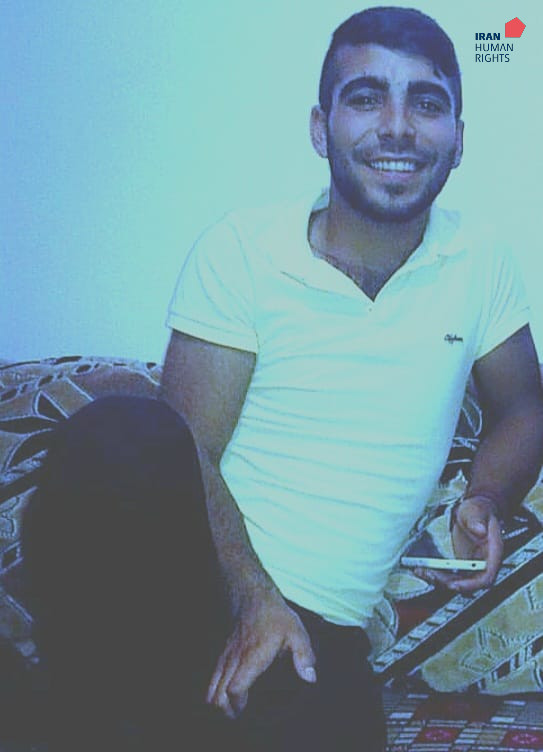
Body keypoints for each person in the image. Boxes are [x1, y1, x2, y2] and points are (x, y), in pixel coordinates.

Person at [22, 6, 543, 752]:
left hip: (316, 636)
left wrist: (487, 497)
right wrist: (254, 600)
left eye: (426, 104)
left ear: (457, 138)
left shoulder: (481, 261)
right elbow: (187, 449)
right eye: (366, 98)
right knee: (121, 433)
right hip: (186, 582)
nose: (397, 127)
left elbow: (522, 406)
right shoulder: (243, 249)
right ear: (320, 127)